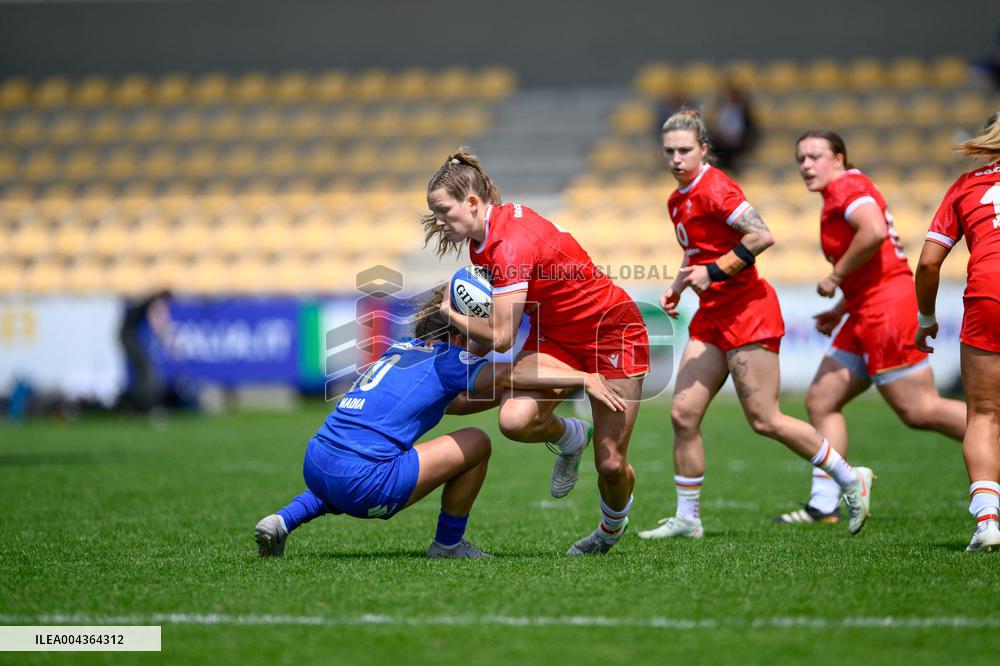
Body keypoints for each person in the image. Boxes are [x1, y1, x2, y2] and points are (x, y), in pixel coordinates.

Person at [637, 110, 874, 541]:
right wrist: (677, 287)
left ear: (703, 149)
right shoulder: (677, 199)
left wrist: (715, 272)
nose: (676, 158)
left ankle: (848, 477)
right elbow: (697, 252)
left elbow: (762, 235)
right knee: (683, 414)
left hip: (748, 312)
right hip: (711, 316)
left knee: (765, 420)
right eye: (669, 151)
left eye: (684, 150)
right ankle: (688, 518)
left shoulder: (716, 187)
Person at [255, 290, 628, 559]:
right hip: (363, 482)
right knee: (477, 443)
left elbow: (454, 404)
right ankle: (448, 544)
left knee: (350, 469)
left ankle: (282, 520)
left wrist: (507, 393)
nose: (488, 342)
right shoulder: (451, 359)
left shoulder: (400, 348)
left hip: (316, 460)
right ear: (458, 335)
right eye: (480, 334)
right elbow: (511, 373)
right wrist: (582, 378)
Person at [424, 148, 650, 556]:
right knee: (514, 420)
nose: (439, 221)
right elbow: (495, 325)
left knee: (611, 464)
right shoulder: (483, 239)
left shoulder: (509, 244)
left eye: (443, 211)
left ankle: (609, 529)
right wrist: (463, 359)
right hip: (557, 338)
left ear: (472, 202)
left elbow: (502, 337)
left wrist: (450, 316)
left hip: (612, 332)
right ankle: (571, 436)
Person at [775, 130, 966, 525]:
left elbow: (874, 232)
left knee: (919, 409)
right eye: (800, 159)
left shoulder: (847, 186)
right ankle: (824, 504)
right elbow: (872, 263)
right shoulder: (839, 192)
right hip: (863, 309)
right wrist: (841, 308)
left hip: (887, 311)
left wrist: (835, 276)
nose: (806, 165)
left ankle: (988, 433)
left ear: (839, 159)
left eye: (814, 156)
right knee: (822, 399)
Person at [914, 113, 1000, 552]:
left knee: (984, 415)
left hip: (989, 294)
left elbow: (929, 262)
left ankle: (988, 522)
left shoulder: (967, 185)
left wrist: (926, 318)